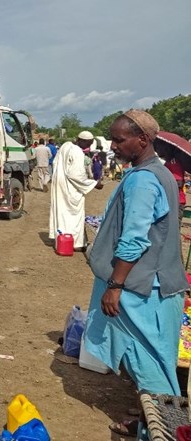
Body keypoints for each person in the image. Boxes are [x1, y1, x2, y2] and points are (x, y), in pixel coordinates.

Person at [81, 110, 188, 437]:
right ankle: (147, 416)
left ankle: (169, 430)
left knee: (147, 362)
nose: (112, 146)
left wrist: (115, 285)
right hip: (159, 283)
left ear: (142, 140)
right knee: (154, 358)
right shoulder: (159, 173)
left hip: (142, 289)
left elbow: (134, 239)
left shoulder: (143, 179)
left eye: (118, 139)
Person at [49, 131, 102, 251]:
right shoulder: (78, 152)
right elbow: (75, 175)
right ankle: (75, 243)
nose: (88, 147)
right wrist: (94, 184)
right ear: (82, 141)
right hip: (71, 188)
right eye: (88, 143)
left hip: (60, 184)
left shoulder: (65, 146)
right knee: (74, 215)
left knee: (62, 213)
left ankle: (62, 239)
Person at [155, 141, 187, 224]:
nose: (159, 150)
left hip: (176, 200)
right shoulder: (169, 162)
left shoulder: (174, 162)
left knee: (173, 226)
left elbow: (178, 182)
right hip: (172, 199)